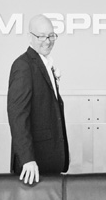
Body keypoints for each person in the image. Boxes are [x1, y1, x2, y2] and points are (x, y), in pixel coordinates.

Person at [7, 14, 69, 184]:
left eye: (51, 35)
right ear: (30, 37)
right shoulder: (23, 65)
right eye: (41, 36)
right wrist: (27, 159)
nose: (47, 41)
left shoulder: (46, 64)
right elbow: (17, 115)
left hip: (50, 159)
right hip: (33, 164)